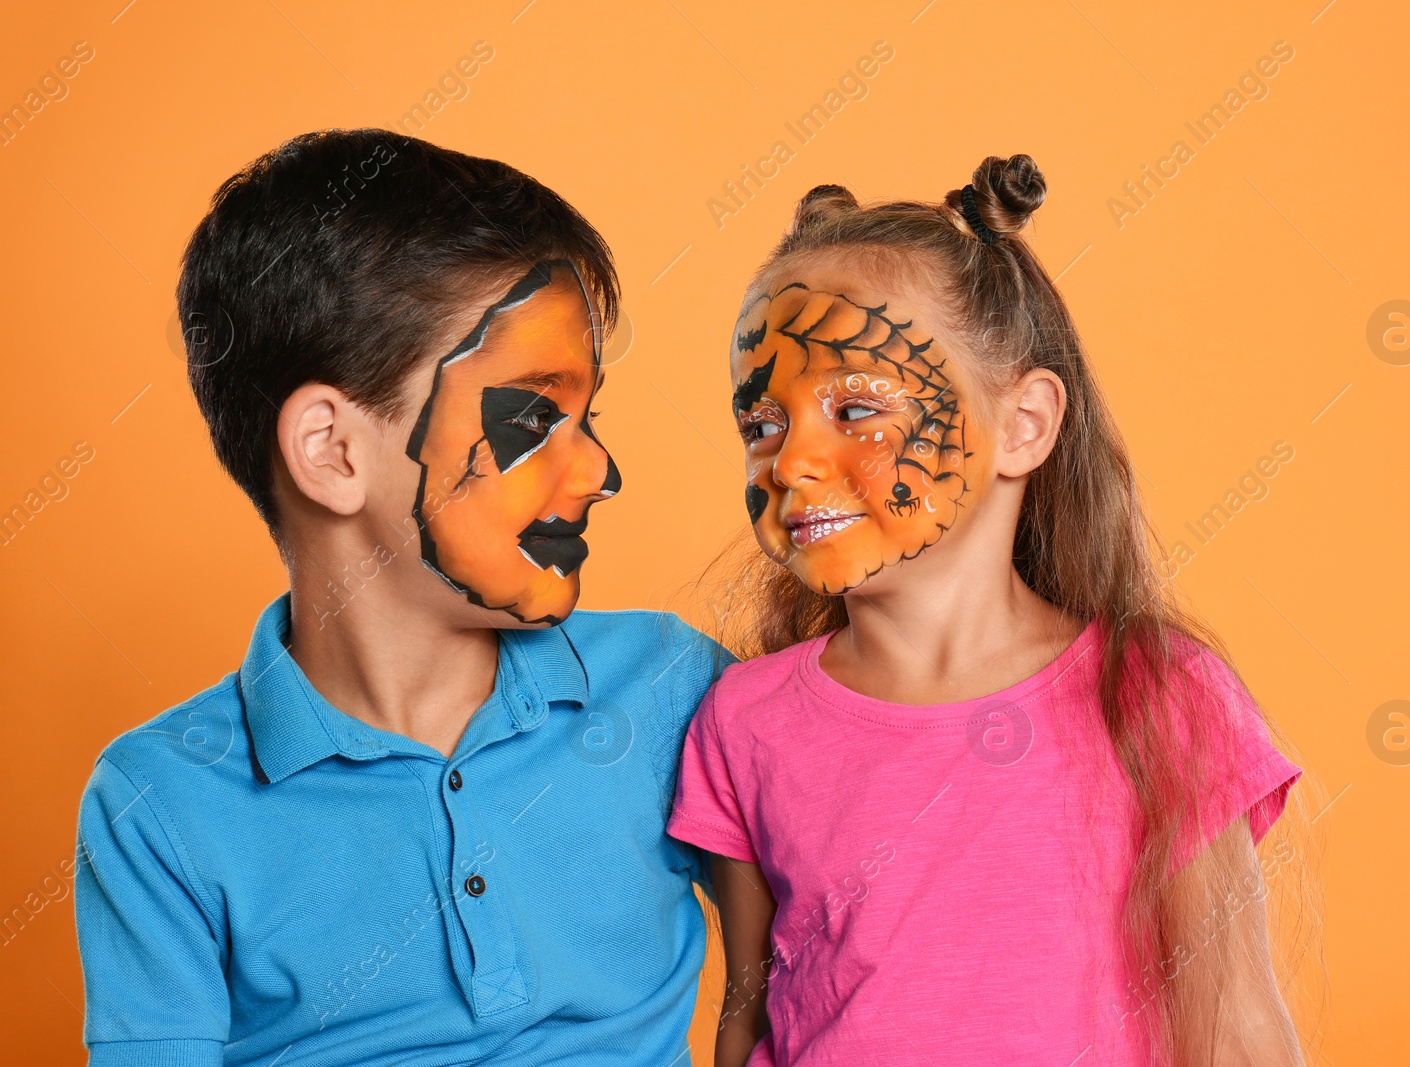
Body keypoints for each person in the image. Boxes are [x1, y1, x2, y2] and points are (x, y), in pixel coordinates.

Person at [74, 129, 726, 1067]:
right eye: (536, 416)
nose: (599, 470)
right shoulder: (159, 803)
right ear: (333, 452)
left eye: (590, 417)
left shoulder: (671, 688)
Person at [667, 155, 1311, 1066]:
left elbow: (1237, 1030)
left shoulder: (1155, 695)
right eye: (762, 424)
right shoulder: (744, 718)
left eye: (855, 407)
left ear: (1023, 425)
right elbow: (748, 1013)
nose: (792, 460)